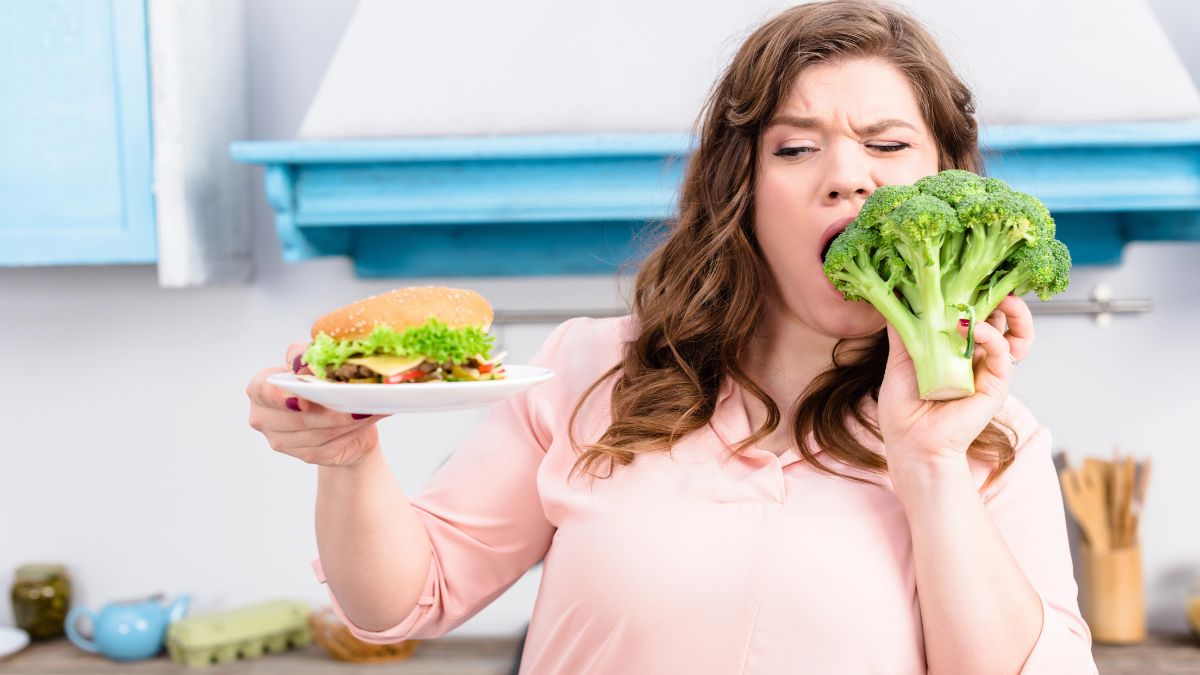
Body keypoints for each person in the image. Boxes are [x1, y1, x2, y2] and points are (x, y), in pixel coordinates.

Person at [246, 2, 1099, 673]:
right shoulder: (589, 369)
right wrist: (348, 460)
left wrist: (931, 463)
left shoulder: (992, 444)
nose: (848, 176)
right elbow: (402, 599)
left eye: (887, 143)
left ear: (945, 179)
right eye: (796, 147)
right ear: (745, 191)